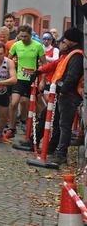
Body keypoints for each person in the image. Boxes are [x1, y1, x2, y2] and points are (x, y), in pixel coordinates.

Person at [41, 28, 84, 165]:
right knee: (59, 124)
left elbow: (72, 78)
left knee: (64, 125)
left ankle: (61, 154)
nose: (62, 43)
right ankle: (55, 149)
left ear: (71, 41)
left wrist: (61, 89)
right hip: (65, 93)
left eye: (65, 40)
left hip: (69, 95)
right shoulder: (72, 54)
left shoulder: (76, 56)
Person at [6, 24, 45, 139]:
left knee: (24, 102)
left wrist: (42, 80)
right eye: (21, 36)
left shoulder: (38, 46)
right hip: (18, 78)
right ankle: (11, 128)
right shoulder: (16, 45)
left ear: (30, 35)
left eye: (26, 37)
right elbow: (8, 61)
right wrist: (13, 64)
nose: (23, 39)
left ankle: (24, 122)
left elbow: (45, 64)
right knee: (14, 103)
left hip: (31, 79)